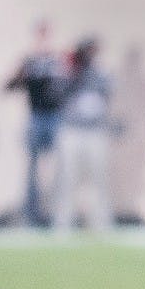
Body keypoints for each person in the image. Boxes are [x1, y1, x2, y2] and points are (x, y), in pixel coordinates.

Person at [5, 19, 64, 227]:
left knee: (59, 169)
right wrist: (23, 73)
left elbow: (64, 90)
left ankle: (57, 215)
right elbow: (8, 86)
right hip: (35, 117)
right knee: (32, 170)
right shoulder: (29, 61)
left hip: (54, 117)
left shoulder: (57, 61)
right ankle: (31, 215)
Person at [53, 37, 114, 231]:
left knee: (99, 178)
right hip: (71, 130)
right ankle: (63, 223)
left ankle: (101, 223)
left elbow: (107, 92)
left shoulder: (101, 73)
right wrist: (73, 71)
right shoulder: (69, 71)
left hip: (95, 131)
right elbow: (56, 94)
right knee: (67, 178)